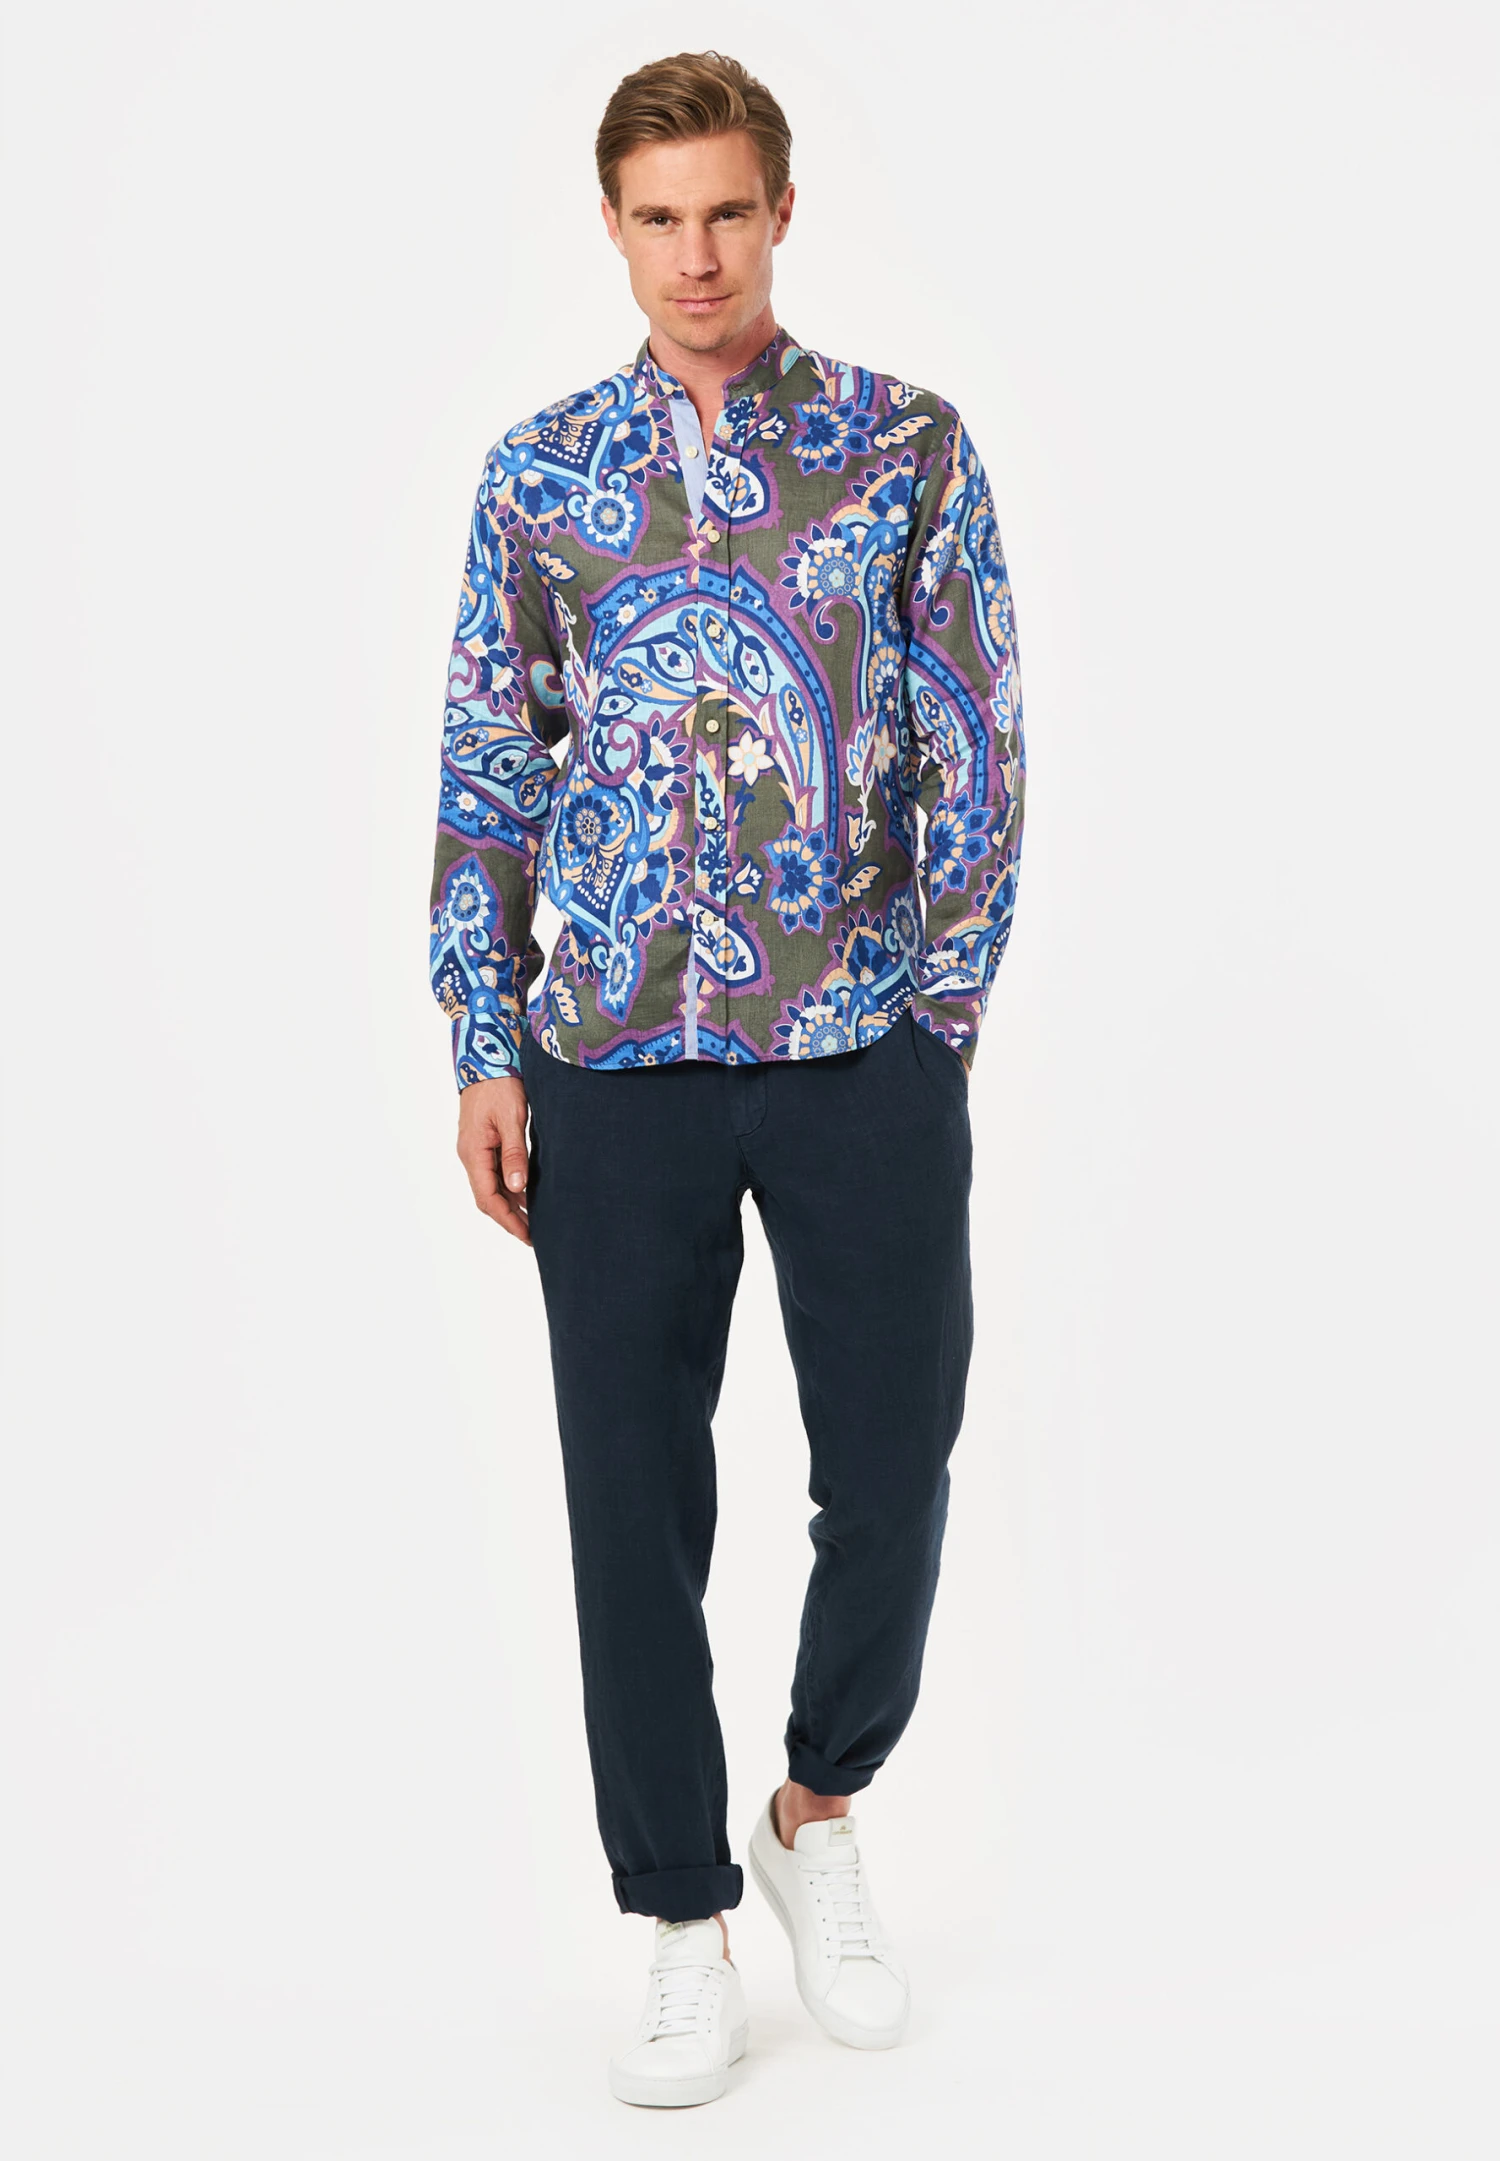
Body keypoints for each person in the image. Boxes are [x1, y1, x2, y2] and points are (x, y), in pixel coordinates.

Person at [427, 47, 1025, 2109]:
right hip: (611, 1060)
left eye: (728, 213)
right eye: (659, 218)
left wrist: (940, 1017)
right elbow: (492, 763)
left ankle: (813, 1812)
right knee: (629, 1500)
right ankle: (679, 1916)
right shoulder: (540, 476)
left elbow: (976, 738)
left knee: (896, 1467)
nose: (697, 255)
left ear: (781, 213)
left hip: (859, 1044)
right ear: (612, 228)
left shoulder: (902, 447)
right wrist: (485, 1039)